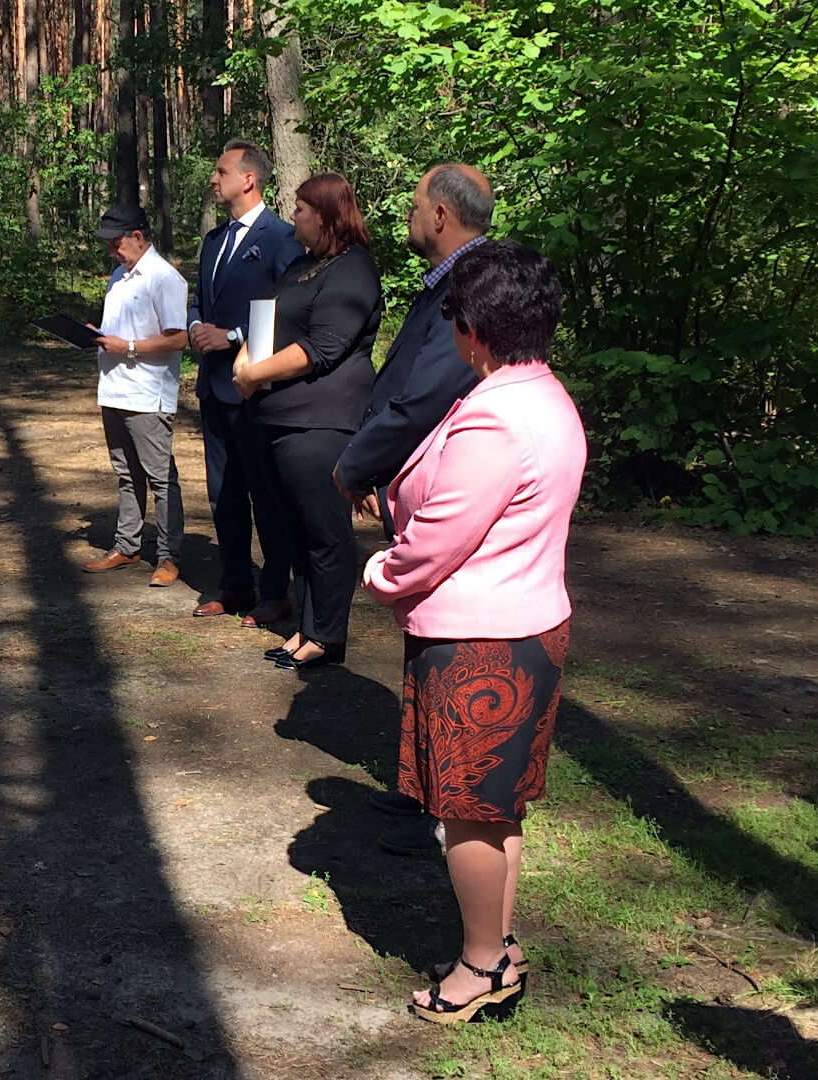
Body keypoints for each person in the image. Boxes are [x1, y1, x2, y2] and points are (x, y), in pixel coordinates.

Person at [361, 240, 585, 1023]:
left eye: (452, 315)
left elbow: (438, 539)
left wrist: (382, 572)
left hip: (480, 644)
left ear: (475, 330)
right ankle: (497, 946)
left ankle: (481, 966)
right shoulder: (543, 394)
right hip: (526, 627)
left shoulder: (496, 417)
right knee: (495, 808)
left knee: (467, 815)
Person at [330, 163, 493, 854]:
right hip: (417, 477)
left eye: (415, 204)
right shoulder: (450, 280)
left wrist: (359, 462)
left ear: (441, 216)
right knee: (424, 639)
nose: (407, 215)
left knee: (450, 646)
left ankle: (447, 808)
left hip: (447, 486)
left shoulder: (473, 286)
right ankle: (424, 785)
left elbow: (424, 395)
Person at [230, 173, 382, 670]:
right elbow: (263, 320)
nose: (292, 216)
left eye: (299, 209)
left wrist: (254, 373)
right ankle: (307, 627)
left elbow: (324, 346)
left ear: (325, 215)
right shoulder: (301, 265)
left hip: (320, 423)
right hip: (275, 419)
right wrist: (245, 359)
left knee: (325, 532)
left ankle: (326, 636)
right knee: (296, 532)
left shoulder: (354, 269)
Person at [187, 140, 302, 625]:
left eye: (221, 171)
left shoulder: (282, 238)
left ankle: (275, 591)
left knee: (265, 493)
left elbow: (286, 311)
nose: (213, 179)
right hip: (213, 387)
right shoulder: (214, 240)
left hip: (254, 389)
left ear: (248, 179)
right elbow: (200, 299)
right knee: (223, 492)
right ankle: (234, 583)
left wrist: (233, 336)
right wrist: (196, 326)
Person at [83, 203, 189, 586]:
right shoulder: (119, 276)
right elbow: (122, 329)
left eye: (116, 243)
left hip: (147, 394)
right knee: (127, 474)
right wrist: (98, 336)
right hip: (114, 390)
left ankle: (168, 556)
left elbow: (178, 338)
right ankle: (127, 545)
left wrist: (126, 347)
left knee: (160, 479)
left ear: (138, 237)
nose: (112, 251)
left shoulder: (164, 278)